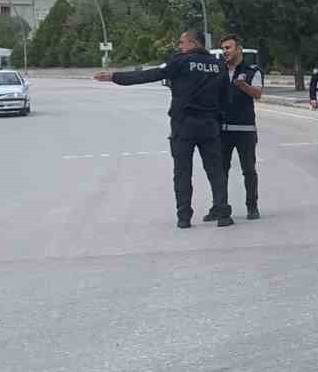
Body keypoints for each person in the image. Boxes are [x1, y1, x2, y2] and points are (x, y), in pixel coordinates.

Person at [94, 30, 231, 228]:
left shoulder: (180, 61)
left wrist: (115, 77)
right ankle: (223, 214)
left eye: (182, 42)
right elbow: (225, 98)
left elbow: (150, 75)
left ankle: (184, 217)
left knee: (182, 172)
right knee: (216, 171)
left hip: (184, 125)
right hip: (209, 125)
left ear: (193, 43)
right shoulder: (219, 65)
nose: (179, 46)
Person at [214, 34, 263, 221]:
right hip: (222, 130)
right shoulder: (218, 71)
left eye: (228, 48)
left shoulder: (252, 71)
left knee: (249, 170)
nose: (225, 51)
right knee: (220, 172)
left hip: (245, 130)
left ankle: (252, 206)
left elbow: (257, 93)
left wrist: (243, 86)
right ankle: (220, 208)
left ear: (238, 49)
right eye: (223, 48)